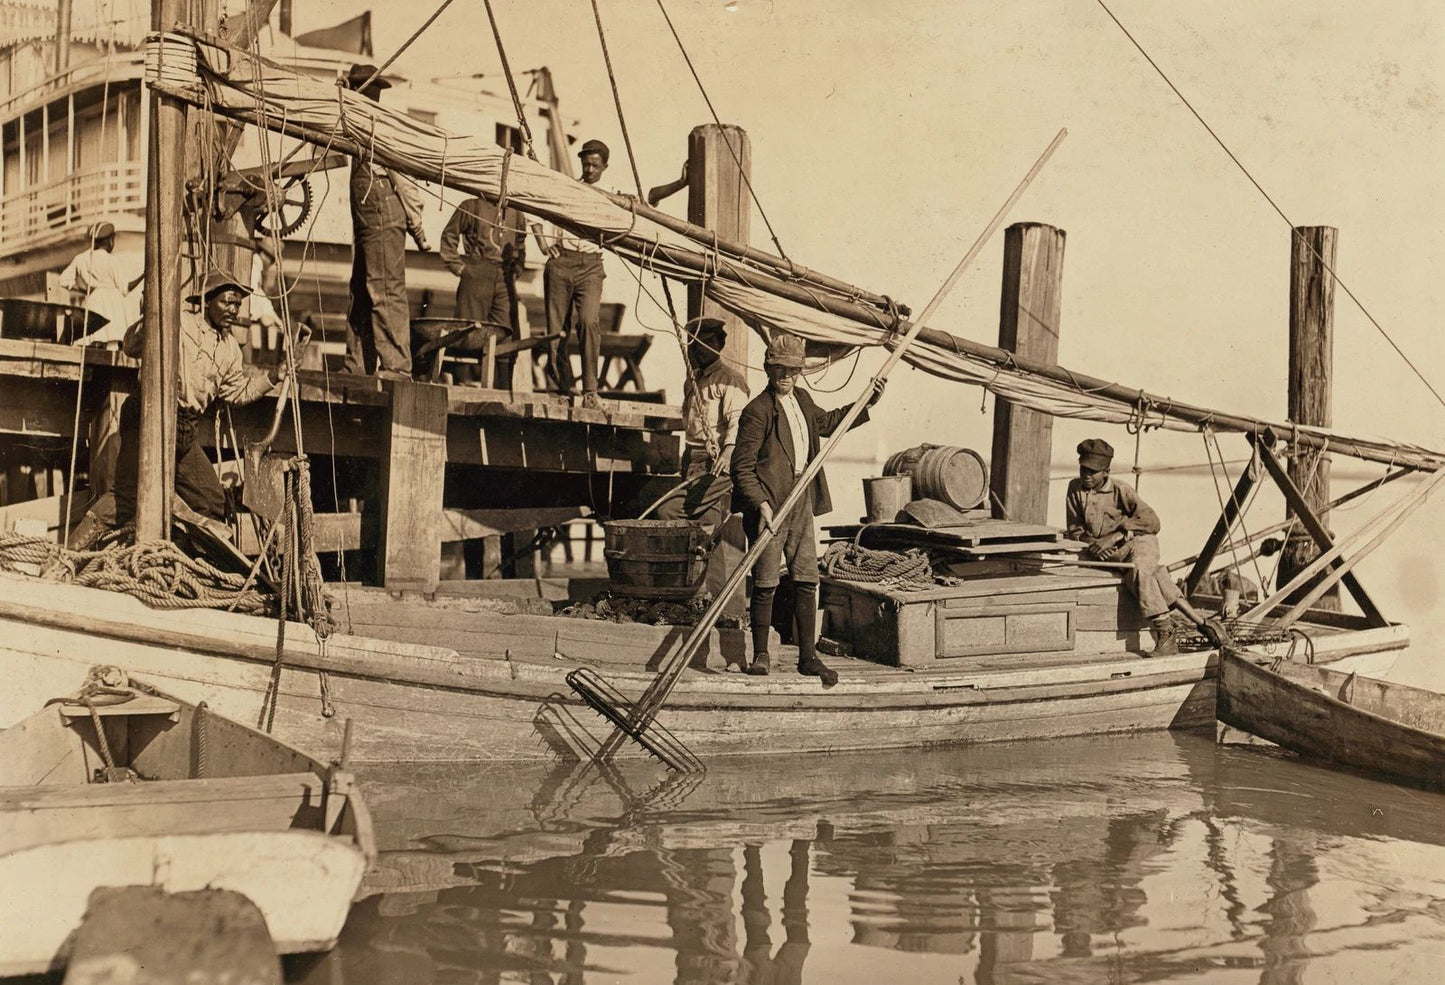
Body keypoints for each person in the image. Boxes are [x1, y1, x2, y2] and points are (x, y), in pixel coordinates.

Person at [731, 333, 885, 685]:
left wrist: (867, 401)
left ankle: (807, 657)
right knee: (766, 580)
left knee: (805, 576)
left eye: (793, 369)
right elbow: (741, 468)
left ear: (800, 372)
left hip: (801, 497)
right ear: (769, 369)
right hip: (771, 504)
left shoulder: (801, 398)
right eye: (780, 369)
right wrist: (762, 505)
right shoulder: (756, 411)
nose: (787, 375)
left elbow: (829, 423)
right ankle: (761, 655)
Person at [112, 270, 300, 537]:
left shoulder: (230, 349)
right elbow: (130, 346)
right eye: (227, 302)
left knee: (210, 500)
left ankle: (186, 562)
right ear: (207, 301)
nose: (233, 310)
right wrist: (150, 315)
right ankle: (71, 554)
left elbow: (238, 393)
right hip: (148, 416)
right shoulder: (176, 321)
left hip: (184, 427)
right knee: (127, 496)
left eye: (237, 304)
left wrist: (274, 376)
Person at [1065, 438, 1230, 656]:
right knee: (1156, 576)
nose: (1086, 474)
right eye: (1083, 468)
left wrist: (1114, 537)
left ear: (1106, 471)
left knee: (1139, 571)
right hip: (1109, 553)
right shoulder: (1074, 489)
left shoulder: (1121, 490)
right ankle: (1204, 623)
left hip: (1139, 543)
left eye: (1093, 471)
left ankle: (1166, 634)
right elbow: (1075, 531)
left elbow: (1153, 522)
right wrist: (1094, 545)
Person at [343, 63, 429, 379]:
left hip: (382, 210)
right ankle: (357, 364)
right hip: (368, 214)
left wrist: (416, 223)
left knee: (383, 287)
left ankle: (396, 365)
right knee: (362, 288)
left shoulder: (380, 126)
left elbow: (405, 180)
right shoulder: (355, 123)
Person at [655, 317, 748, 535]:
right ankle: (704, 570)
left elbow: (738, 422)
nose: (700, 350)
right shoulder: (692, 380)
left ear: (719, 344)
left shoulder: (730, 380)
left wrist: (728, 452)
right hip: (691, 458)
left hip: (714, 461)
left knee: (667, 511)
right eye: (696, 344)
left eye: (707, 343)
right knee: (707, 522)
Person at [539, 138, 613, 408]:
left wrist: (679, 182)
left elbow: (646, 200)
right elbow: (536, 209)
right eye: (586, 164)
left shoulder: (612, 193)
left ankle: (590, 389)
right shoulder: (568, 188)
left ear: (605, 166)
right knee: (556, 328)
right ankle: (561, 385)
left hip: (591, 266)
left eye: (595, 165)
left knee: (588, 321)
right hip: (561, 262)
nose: (590, 169)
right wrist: (541, 241)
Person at [438, 194, 527, 381]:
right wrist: (460, 267)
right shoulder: (471, 206)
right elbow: (449, 235)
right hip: (477, 272)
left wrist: (517, 268)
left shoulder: (517, 212)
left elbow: (520, 243)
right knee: (469, 331)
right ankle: (461, 386)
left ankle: (503, 394)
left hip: (505, 276)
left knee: (507, 332)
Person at [62, 220, 143, 346]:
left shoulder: (81, 258)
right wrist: (144, 275)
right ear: (110, 240)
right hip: (112, 303)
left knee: (94, 339)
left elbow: (64, 280)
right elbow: (126, 288)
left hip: (93, 300)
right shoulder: (111, 261)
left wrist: (83, 290)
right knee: (113, 339)